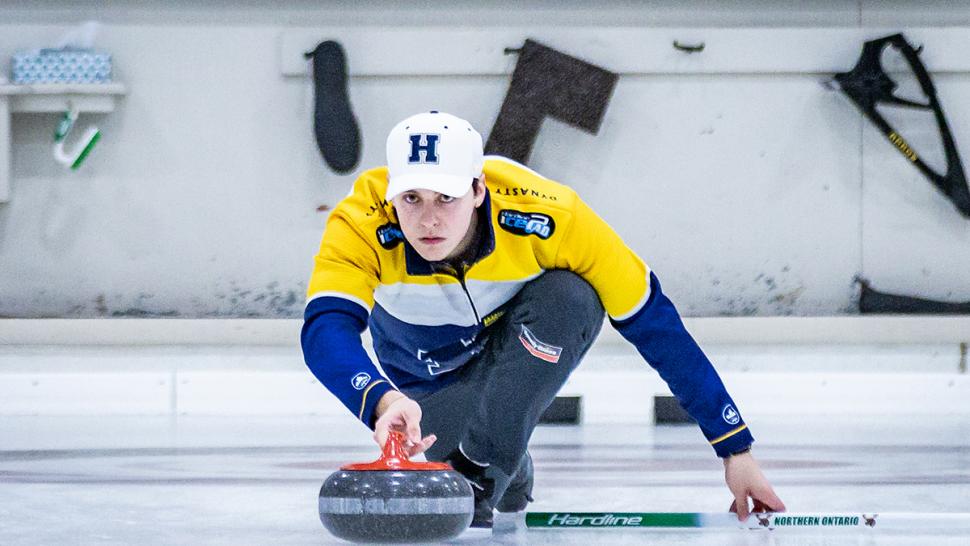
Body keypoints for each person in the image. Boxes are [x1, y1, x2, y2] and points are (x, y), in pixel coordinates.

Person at [302, 111, 785, 528]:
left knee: (573, 297)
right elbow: (325, 330)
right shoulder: (359, 224)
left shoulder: (552, 215)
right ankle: (508, 464)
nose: (428, 220)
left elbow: (654, 323)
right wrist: (381, 401)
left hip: (521, 351)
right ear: (392, 195)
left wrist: (735, 448)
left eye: (446, 198)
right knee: (504, 490)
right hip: (429, 383)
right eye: (412, 199)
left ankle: (488, 460)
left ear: (477, 189)